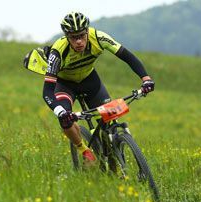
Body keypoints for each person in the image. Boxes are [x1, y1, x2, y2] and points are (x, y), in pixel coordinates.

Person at [42, 12, 155, 165]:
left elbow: (127, 56)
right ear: (67, 37)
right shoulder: (58, 51)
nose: (79, 41)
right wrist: (60, 112)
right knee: (65, 120)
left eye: (82, 35)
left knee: (109, 121)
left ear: (87, 31)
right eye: (73, 37)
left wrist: (146, 79)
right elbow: (47, 91)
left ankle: (114, 159)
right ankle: (84, 150)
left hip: (90, 81)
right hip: (65, 85)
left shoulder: (98, 37)